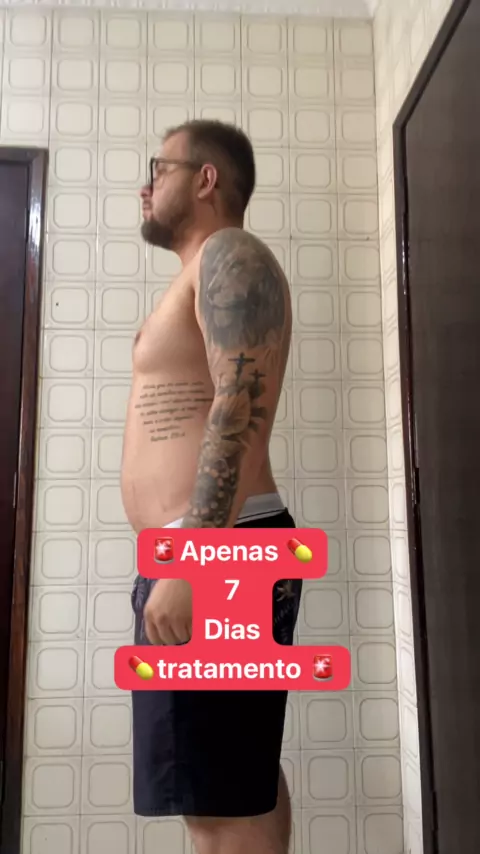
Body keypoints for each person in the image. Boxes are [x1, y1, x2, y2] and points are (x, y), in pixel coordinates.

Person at [121, 118, 302, 854]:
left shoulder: (229, 254)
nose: (145, 185)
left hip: (217, 553)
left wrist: (196, 558)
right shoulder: (198, 271)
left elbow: (241, 404)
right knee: (233, 781)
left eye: (157, 168)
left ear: (205, 179)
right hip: (210, 551)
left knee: (218, 803)